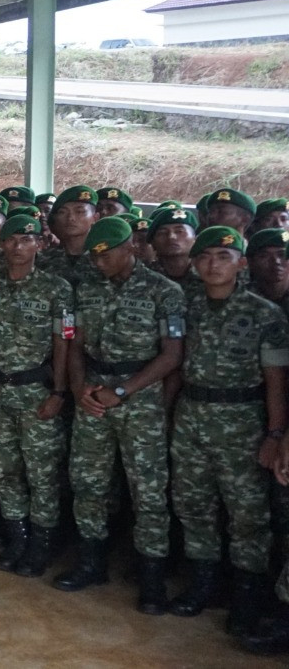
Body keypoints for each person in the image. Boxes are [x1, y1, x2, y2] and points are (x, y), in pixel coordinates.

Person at [54, 217, 185, 614]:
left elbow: (172, 355)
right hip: (93, 392)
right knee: (88, 482)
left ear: (130, 247)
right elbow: (73, 344)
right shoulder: (85, 290)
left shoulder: (165, 291)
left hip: (139, 399)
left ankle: (152, 578)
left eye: (106, 255)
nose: (98, 263)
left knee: (147, 491)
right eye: (94, 257)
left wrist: (123, 391)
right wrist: (79, 388)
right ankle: (91, 562)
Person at [168, 226, 287, 634]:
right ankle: (203, 584)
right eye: (204, 257)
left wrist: (274, 435)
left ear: (240, 262)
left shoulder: (264, 314)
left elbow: (275, 381)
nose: (212, 264)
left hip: (243, 421)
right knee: (193, 504)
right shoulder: (186, 305)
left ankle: (246, 597)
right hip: (192, 415)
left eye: (223, 256)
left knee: (247, 514)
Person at [0, 215, 71, 577]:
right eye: (11, 240)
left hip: (37, 391)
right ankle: (18, 537)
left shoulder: (56, 288)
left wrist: (59, 391)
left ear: (40, 244)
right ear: (1, 245)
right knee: (4, 469)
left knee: (41, 472)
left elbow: (63, 343)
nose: (18, 246)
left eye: (26, 240)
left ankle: (41, 545)